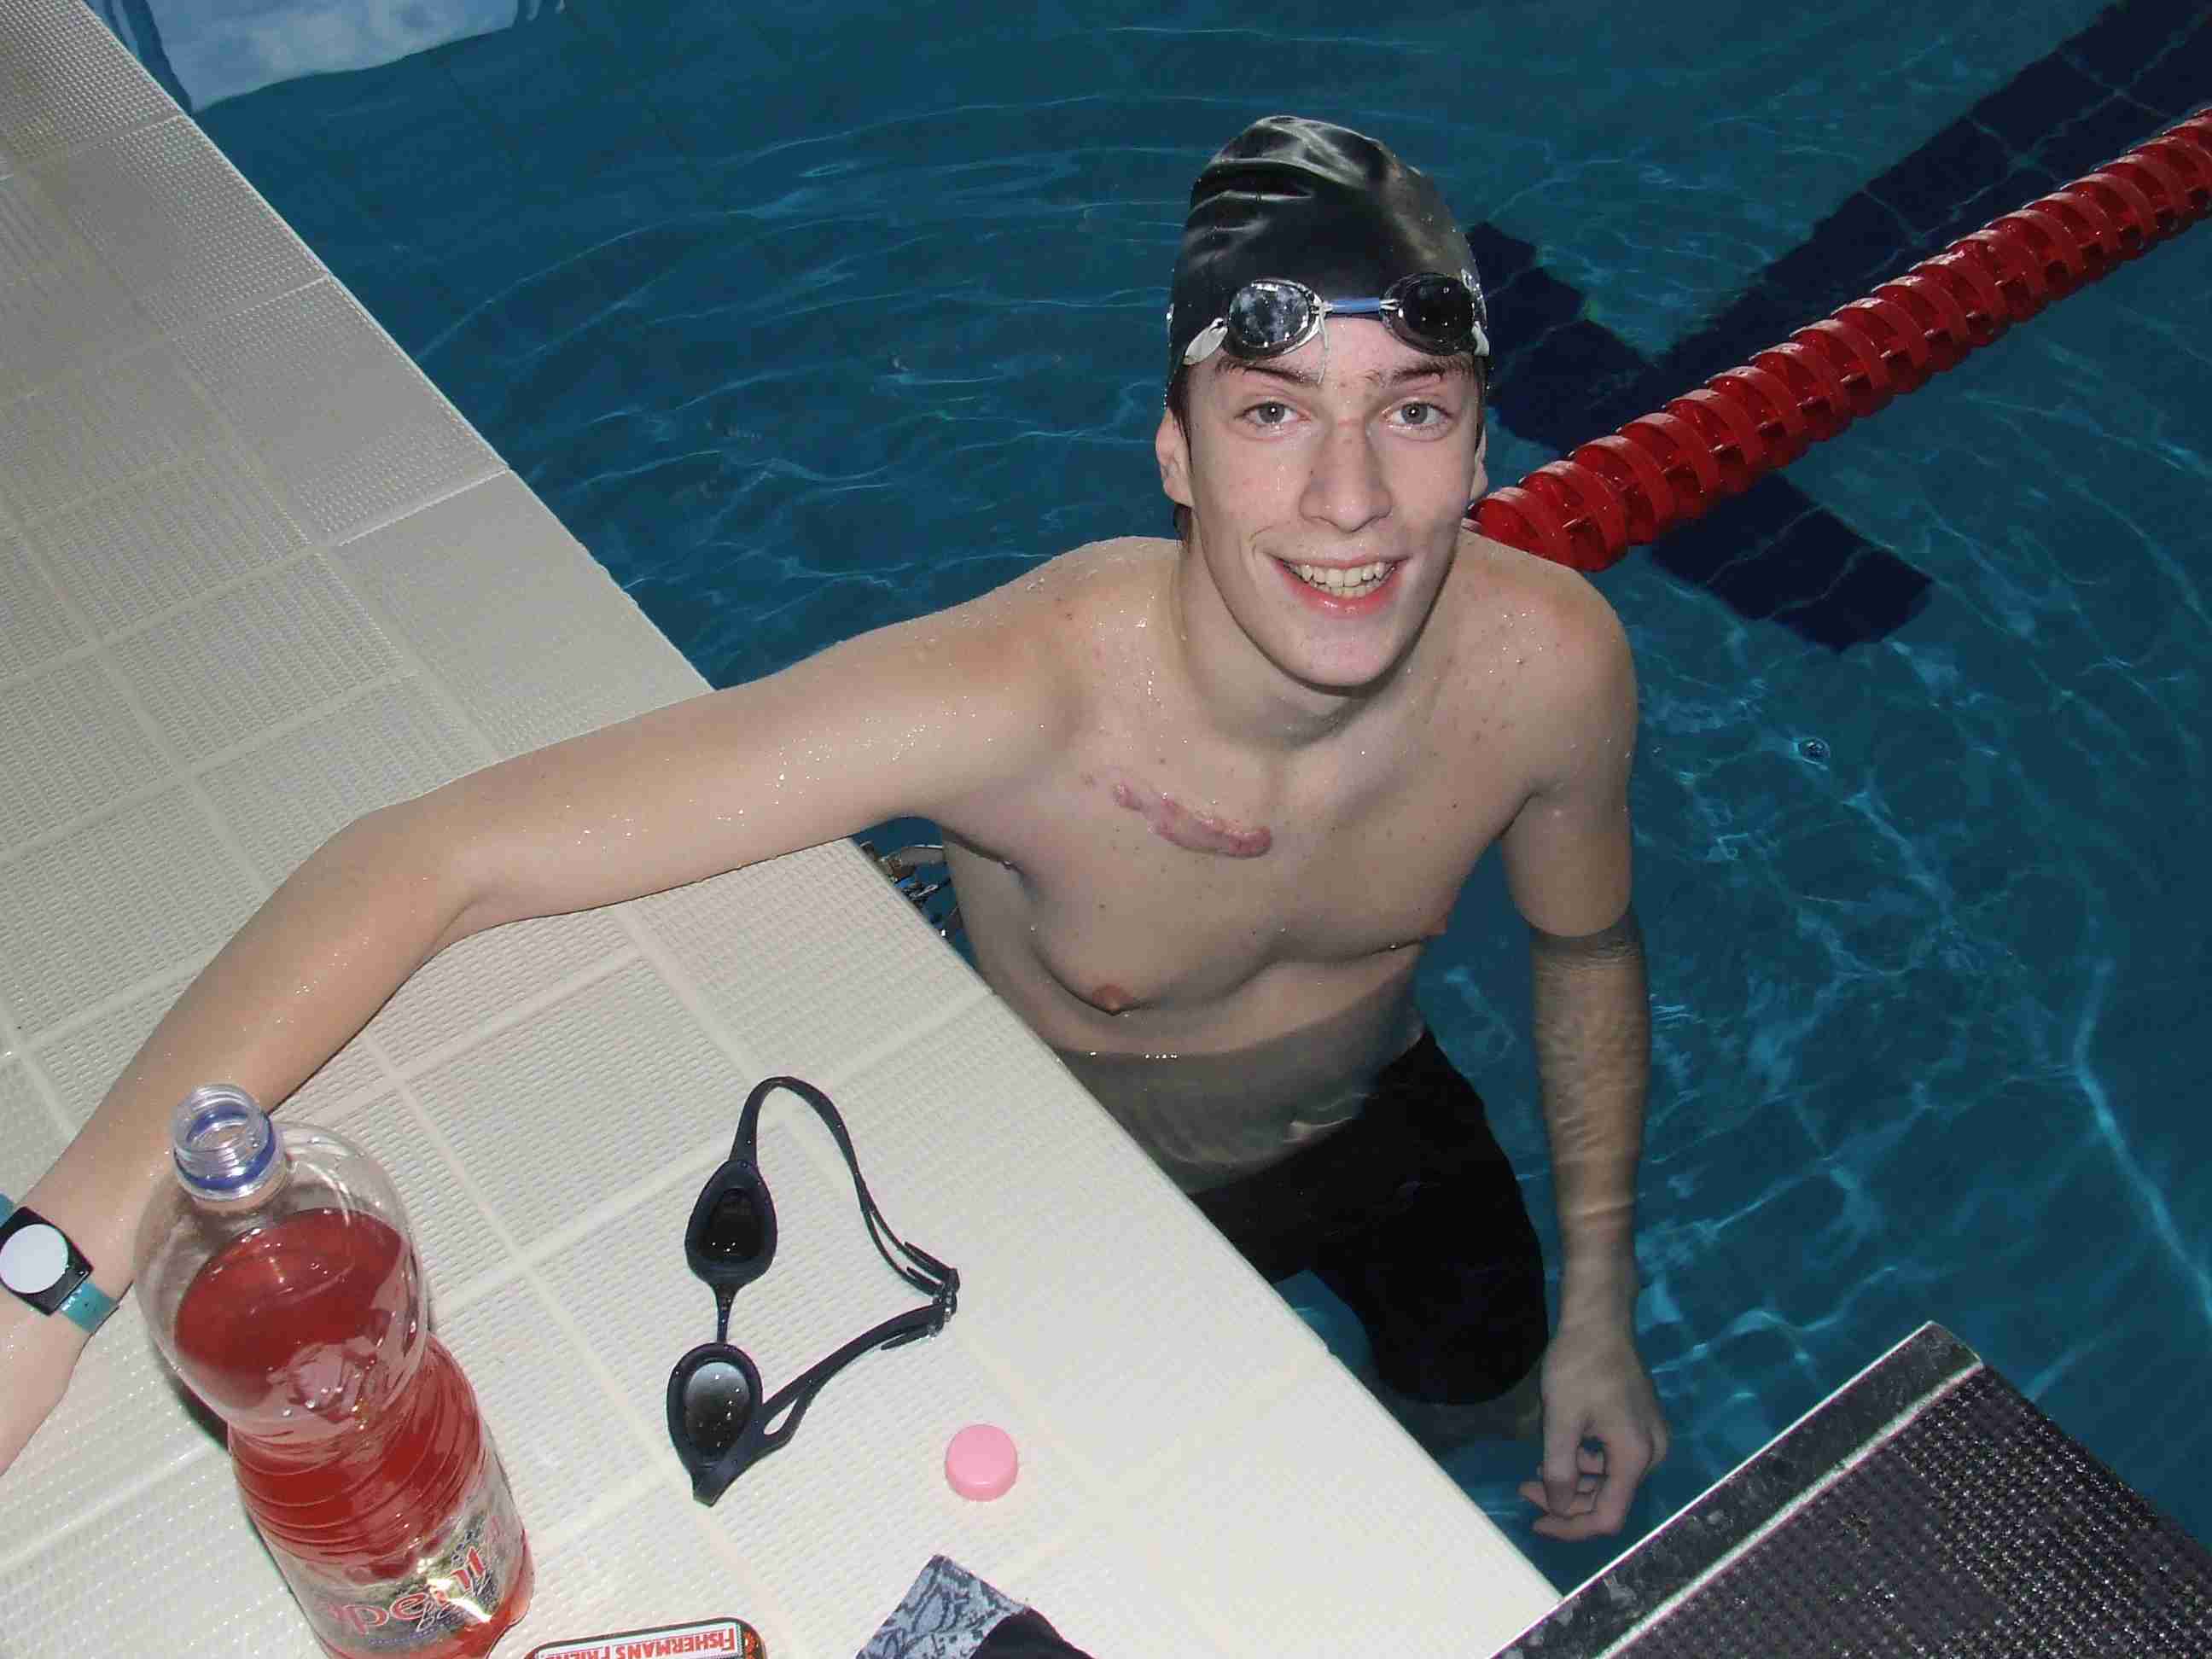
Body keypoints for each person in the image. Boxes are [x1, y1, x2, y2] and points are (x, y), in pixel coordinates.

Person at [0, 116, 1666, 1538]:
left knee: (1484, 1409)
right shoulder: (1018, 708)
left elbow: (1588, 951)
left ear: (1478, 444)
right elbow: (429, 859)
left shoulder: (1550, 672)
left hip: (1384, 1132)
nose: (1351, 500)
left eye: (1412, 410)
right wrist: (48, 1276)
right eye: (1274, 411)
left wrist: (1601, 1298)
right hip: (1089, 1169)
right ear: (1176, 450)